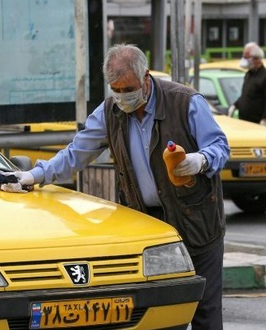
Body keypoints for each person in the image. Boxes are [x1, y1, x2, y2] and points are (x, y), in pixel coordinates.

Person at [13, 44, 230, 330]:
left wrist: (199, 161)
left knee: (206, 314)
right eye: (116, 89)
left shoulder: (185, 102)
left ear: (146, 78)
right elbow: (76, 153)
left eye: (128, 89)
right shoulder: (110, 111)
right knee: (152, 317)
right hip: (146, 228)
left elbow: (220, 146)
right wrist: (34, 176)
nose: (123, 96)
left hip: (196, 223)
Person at [228, 42, 266, 125]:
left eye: (246, 57)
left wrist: (264, 119)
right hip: (244, 121)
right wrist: (235, 104)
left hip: (257, 123)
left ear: (256, 59)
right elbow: (247, 94)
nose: (244, 60)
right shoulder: (249, 74)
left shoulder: (264, 76)